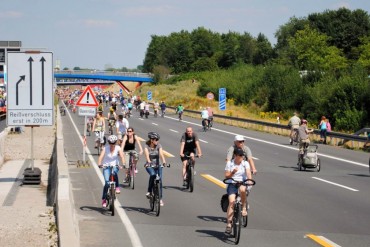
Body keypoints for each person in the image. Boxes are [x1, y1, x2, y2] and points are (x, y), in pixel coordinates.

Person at [224, 148, 252, 234]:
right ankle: (229, 224)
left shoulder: (245, 163)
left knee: (242, 189)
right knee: (232, 202)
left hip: (242, 182)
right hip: (232, 183)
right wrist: (233, 172)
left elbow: (248, 173)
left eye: (242, 155)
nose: (242, 157)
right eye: (240, 155)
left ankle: (243, 207)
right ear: (235, 155)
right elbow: (226, 176)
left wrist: (249, 180)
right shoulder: (230, 163)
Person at [97, 135, 126, 207]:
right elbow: (101, 156)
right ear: (109, 143)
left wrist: (124, 164)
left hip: (115, 165)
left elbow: (122, 156)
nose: (112, 145)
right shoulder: (105, 148)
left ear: (115, 143)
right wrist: (99, 164)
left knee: (114, 172)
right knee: (107, 183)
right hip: (106, 166)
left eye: (113, 143)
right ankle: (103, 199)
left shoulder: (118, 148)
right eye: (110, 143)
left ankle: (117, 187)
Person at [144, 132, 166, 206]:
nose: (157, 141)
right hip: (149, 165)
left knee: (160, 180)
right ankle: (149, 191)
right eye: (155, 139)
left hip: (158, 165)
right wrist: (149, 161)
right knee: (153, 175)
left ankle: (160, 199)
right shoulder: (147, 146)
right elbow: (147, 155)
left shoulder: (159, 145)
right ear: (151, 140)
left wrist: (164, 162)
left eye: (157, 139)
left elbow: (161, 154)